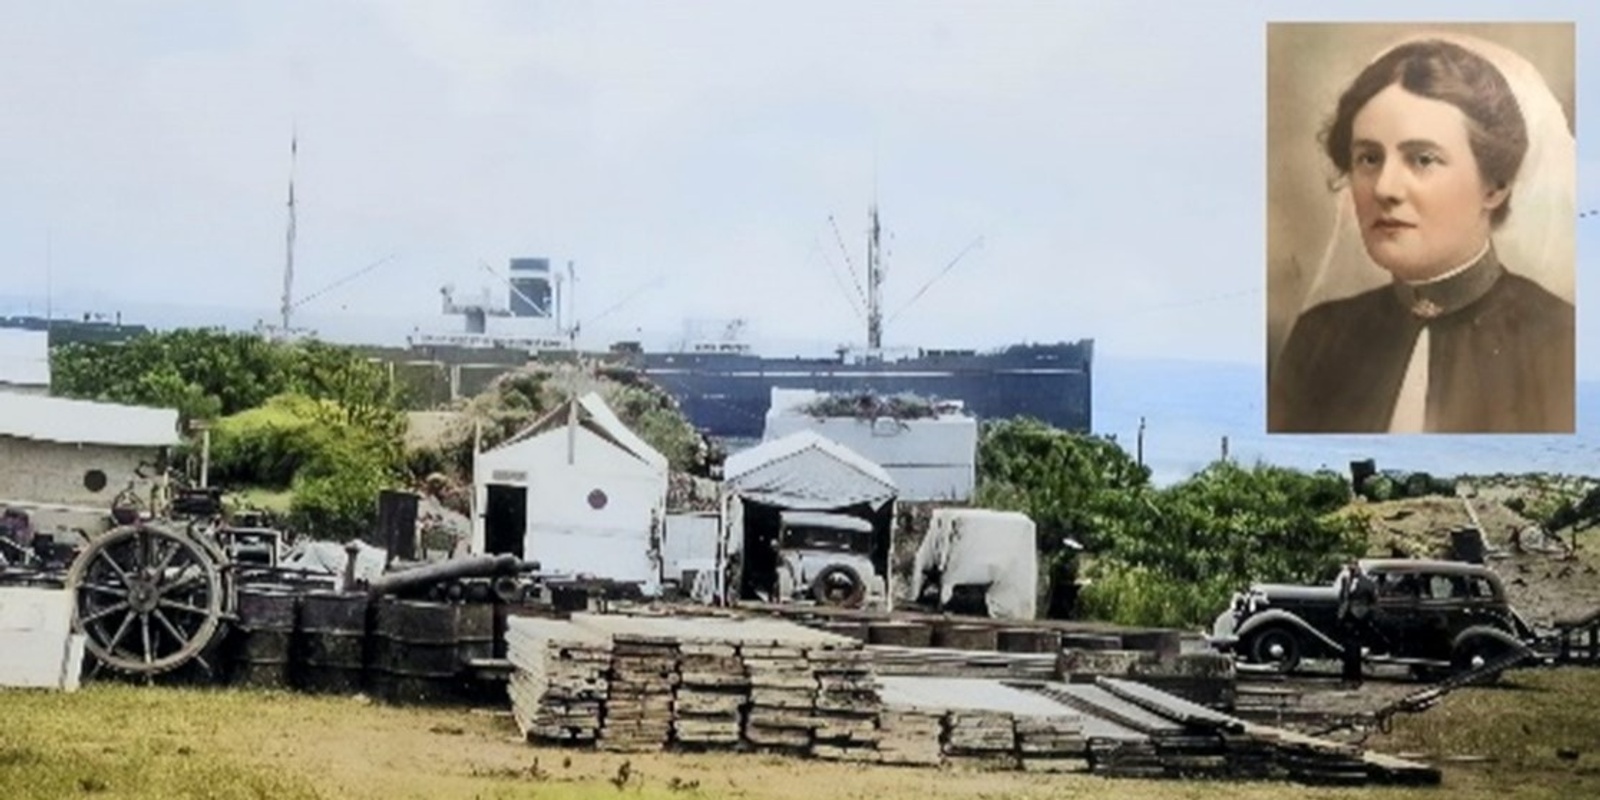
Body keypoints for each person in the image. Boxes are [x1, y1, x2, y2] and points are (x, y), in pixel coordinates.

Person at [1270, 34, 1575, 433]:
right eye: (1369, 158)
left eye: (1423, 159)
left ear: (1495, 185)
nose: (1384, 188)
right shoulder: (1319, 338)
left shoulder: (1564, 343)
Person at [1336, 559, 1375, 685]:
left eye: (1354, 566)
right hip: (1346, 617)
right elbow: (1343, 598)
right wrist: (1341, 613)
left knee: (1355, 649)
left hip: (1359, 619)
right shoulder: (1346, 581)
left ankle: (1356, 677)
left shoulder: (1367, 583)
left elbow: (1372, 601)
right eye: (1350, 567)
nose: (1352, 569)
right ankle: (1346, 676)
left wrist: (1364, 613)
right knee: (1347, 649)